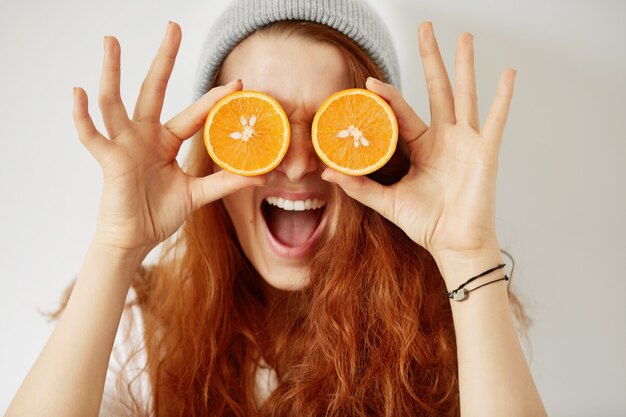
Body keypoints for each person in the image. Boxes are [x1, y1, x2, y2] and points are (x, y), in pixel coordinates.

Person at [5, 0, 548, 416]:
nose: (295, 165)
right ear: (212, 148)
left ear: (380, 150)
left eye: (334, 126)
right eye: (257, 125)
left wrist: (468, 255)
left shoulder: (447, 320)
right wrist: (116, 247)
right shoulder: (140, 328)